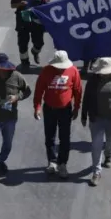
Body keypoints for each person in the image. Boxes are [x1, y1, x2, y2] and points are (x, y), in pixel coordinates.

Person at [34, 50, 83, 178]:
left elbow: (78, 90)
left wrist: (77, 107)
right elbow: (39, 89)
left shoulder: (73, 71)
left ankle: (62, 163)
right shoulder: (46, 71)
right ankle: (52, 161)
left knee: (65, 138)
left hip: (65, 110)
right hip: (49, 109)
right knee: (49, 137)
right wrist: (37, 107)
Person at [81, 57, 111, 185]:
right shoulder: (93, 81)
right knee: (96, 145)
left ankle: (108, 155)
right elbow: (86, 98)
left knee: (110, 141)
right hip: (96, 119)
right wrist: (84, 115)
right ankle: (96, 172)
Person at [9, 0, 50, 68]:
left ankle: (35, 51)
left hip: (37, 21)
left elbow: (48, 5)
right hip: (22, 19)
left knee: (39, 42)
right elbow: (12, 5)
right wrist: (20, 4)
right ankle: (24, 62)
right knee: (22, 42)